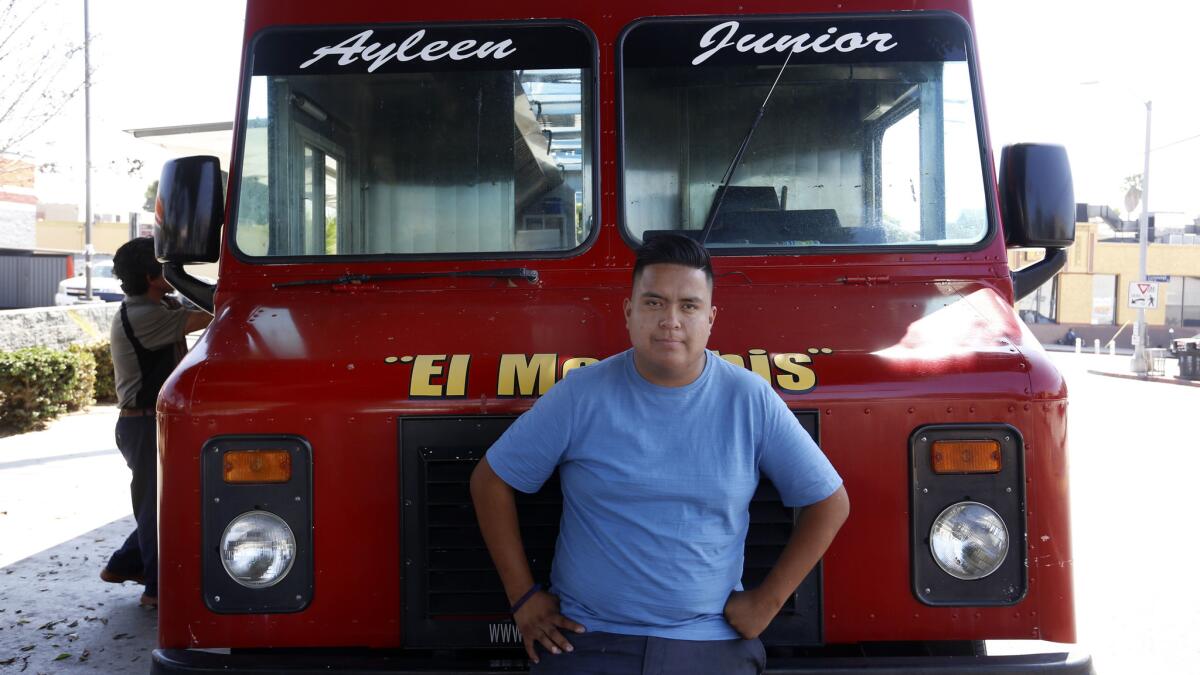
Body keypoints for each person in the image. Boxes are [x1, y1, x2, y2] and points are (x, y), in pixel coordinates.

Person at [470, 233, 849, 674]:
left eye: (688, 306)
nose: (671, 320)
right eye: (653, 303)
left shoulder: (749, 399)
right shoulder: (580, 396)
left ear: (710, 318)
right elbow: (491, 480)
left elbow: (830, 501)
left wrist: (767, 601)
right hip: (586, 639)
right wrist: (523, 598)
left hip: (709, 642)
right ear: (629, 313)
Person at [99, 237, 211, 608]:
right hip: (142, 424)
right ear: (152, 276)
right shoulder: (143, 315)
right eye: (167, 266)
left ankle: (124, 563)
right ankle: (157, 591)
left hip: (150, 422)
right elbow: (211, 315)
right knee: (156, 507)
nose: (173, 271)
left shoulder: (158, 305)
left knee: (161, 502)